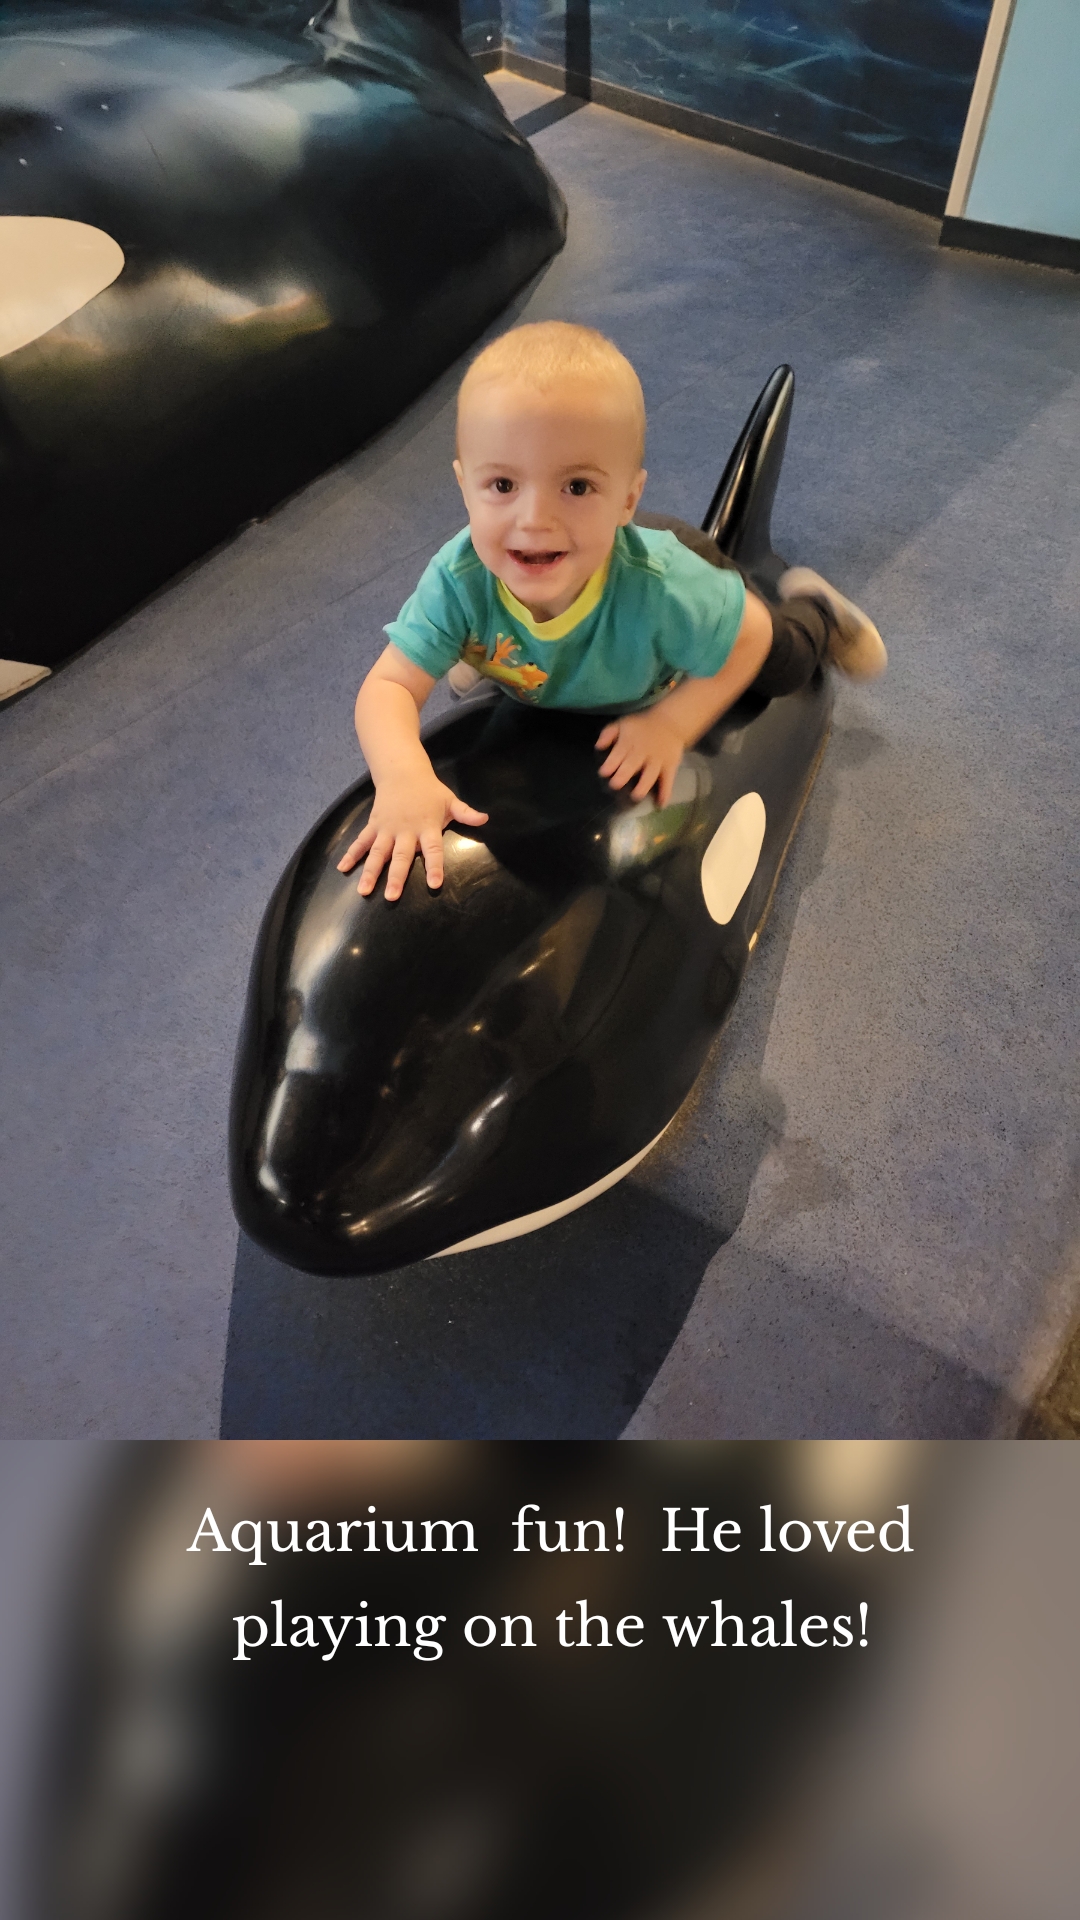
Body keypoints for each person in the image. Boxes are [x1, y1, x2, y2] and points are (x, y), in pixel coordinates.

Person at [339, 321, 885, 902]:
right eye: (502, 484)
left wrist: (671, 725)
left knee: (785, 667)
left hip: (670, 576)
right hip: (580, 585)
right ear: (464, 485)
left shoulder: (668, 589)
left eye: (576, 486)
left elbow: (749, 637)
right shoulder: (460, 578)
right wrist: (402, 775)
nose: (533, 519)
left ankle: (815, 608)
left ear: (628, 497)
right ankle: (491, 649)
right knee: (459, 639)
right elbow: (388, 686)